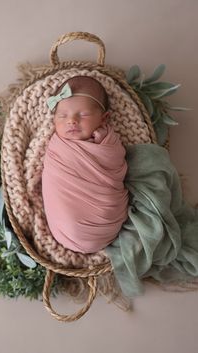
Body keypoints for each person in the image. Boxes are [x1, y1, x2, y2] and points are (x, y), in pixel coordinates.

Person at [42, 76, 128, 253]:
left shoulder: (109, 145)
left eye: (83, 114)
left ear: (104, 118)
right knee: (69, 219)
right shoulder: (57, 147)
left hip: (105, 220)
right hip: (66, 226)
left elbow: (115, 165)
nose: (71, 120)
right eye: (62, 115)